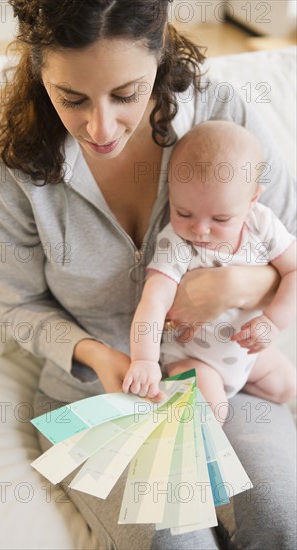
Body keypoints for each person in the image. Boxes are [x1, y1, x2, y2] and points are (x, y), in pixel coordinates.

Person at [0, 1, 296, 548]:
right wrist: (103, 358)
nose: (99, 127)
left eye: (126, 94)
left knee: (280, 520)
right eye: (71, 98)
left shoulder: (221, 115)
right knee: (177, 538)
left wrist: (238, 285)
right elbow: (17, 305)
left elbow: (287, 244)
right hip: (96, 395)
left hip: (224, 370)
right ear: (39, 70)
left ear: (160, 54)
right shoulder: (19, 165)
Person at [124, 120, 296, 420]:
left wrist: (272, 323)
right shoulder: (176, 243)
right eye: (184, 212)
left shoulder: (262, 223)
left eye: (221, 218)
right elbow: (153, 302)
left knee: (287, 388)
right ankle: (180, 390)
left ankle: (232, 388)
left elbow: (294, 270)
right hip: (193, 359)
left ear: (252, 199)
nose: (200, 229)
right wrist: (145, 360)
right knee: (212, 413)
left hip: (245, 356)